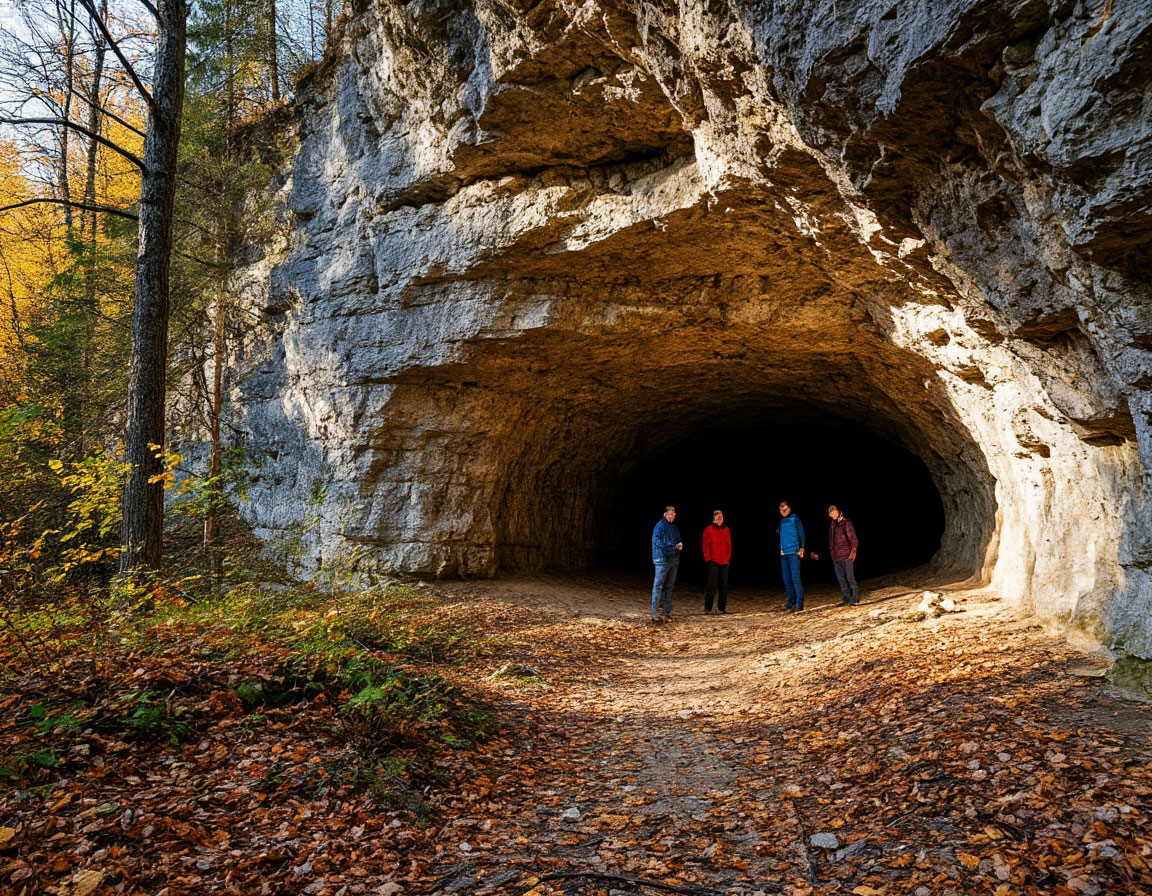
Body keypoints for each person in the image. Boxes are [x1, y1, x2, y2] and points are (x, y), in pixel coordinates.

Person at [651, 506, 682, 622]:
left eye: (673, 514)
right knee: (658, 585)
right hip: (662, 559)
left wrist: (680, 545)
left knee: (670, 586)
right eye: (669, 514)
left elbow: (678, 540)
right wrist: (670, 548)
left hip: (673, 559)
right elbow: (656, 541)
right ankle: (655, 612)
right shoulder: (660, 526)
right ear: (665, 514)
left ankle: (667, 611)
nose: (671, 516)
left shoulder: (675, 527)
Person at [827, 504, 860, 606]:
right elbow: (831, 541)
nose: (833, 513)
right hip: (836, 557)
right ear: (829, 514)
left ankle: (855, 599)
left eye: (834, 511)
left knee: (850, 578)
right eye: (831, 512)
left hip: (846, 555)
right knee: (841, 580)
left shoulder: (846, 522)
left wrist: (853, 552)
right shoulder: (832, 525)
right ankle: (847, 599)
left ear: (838, 511)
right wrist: (832, 554)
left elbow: (853, 539)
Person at [777, 500, 805, 611]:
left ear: (789, 508)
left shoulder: (795, 518)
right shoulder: (781, 521)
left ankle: (799, 602)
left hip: (794, 552)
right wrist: (780, 548)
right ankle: (791, 601)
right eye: (781, 510)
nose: (783, 511)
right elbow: (781, 535)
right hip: (784, 553)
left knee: (795, 578)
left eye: (785, 509)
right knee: (787, 579)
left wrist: (802, 547)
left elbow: (802, 534)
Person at [702, 510, 732, 614]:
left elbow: (729, 545)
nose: (720, 520)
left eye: (721, 518)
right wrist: (708, 558)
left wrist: (727, 557)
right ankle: (708, 608)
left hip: (724, 561)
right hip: (713, 560)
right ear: (714, 519)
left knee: (723, 585)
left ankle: (721, 608)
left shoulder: (726, 529)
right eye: (718, 518)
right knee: (712, 584)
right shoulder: (708, 530)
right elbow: (705, 545)